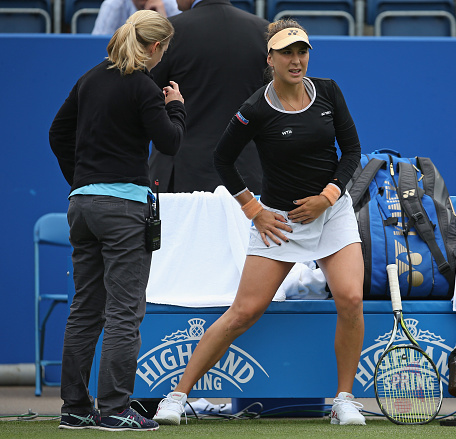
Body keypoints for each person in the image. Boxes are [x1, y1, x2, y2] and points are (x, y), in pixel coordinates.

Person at [152, 19, 367, 426]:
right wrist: (255, 211)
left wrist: (329, 196)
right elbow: (222, 160)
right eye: (286, 52)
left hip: (332, 213)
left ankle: (343, 399)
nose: (296, 59)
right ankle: (176, 397)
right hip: (279, 224)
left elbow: (352, 150)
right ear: (270, 59)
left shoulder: (330, 92)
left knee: (351, 298)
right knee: (243, 313)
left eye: (301, 51)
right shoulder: (255, 108)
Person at [49, 10, 186, 431]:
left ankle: (75, 407)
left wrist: (84, 181)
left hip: (83, 205)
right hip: (124, 209)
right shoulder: (145, 88)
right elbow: (169, 141)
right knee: (125, 312)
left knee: (86, 308)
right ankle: (114, 409)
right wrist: (176, 107)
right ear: (156, 47)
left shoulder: (89, 79)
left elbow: (57, 133)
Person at [148, 0, 268, 194]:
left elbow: (148, 98)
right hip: (248, 175)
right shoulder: (265, 31)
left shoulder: (170, 31)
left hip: (180, 176)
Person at [92, 0, 180, 35]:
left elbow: (178, 46)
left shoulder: (171, 4)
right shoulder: (112, 5)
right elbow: (97, 45)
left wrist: (163, 17)